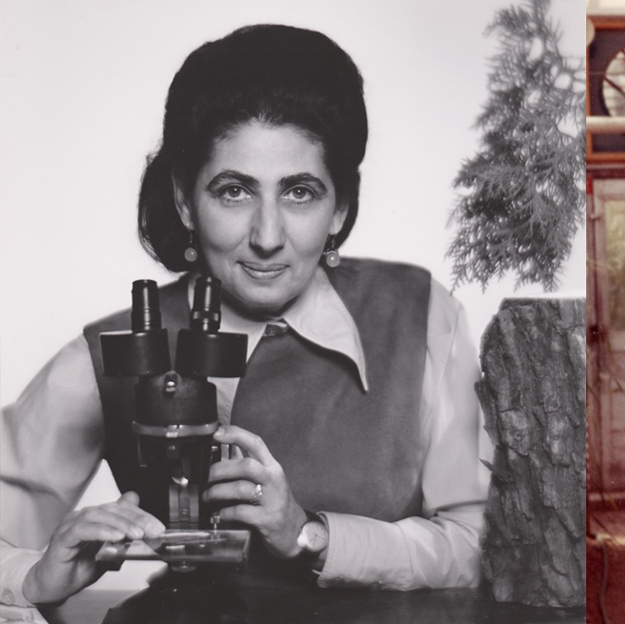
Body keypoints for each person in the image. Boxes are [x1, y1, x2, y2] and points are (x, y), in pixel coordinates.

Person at [0, 24, 489, 609]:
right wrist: (32, 578)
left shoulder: (423, 318)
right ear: (184, 199)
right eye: (234, 191)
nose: (267, 237)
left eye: (300, 192)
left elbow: (477, 544)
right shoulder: (110, 351)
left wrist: (312, 536)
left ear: (342, 207)